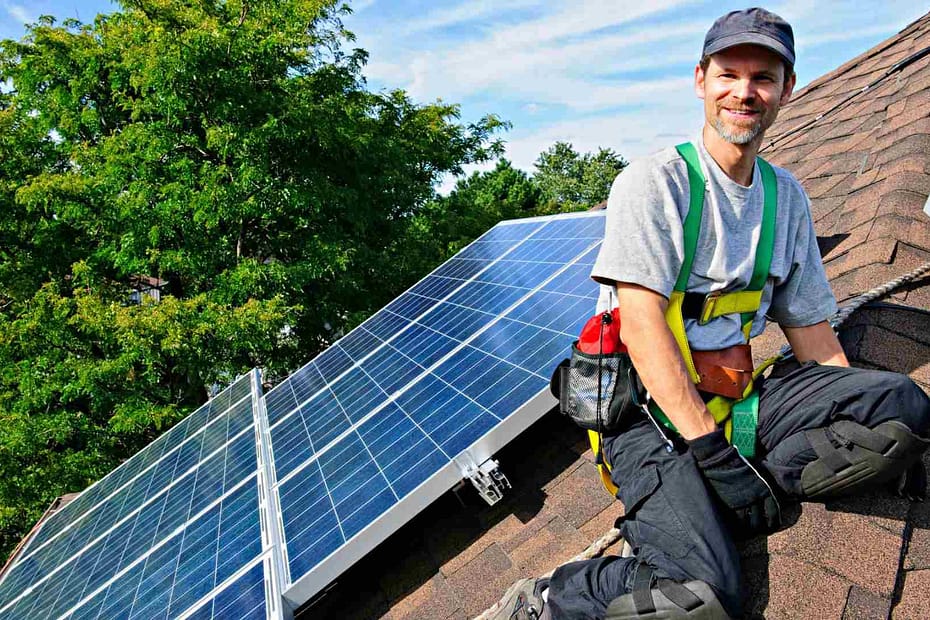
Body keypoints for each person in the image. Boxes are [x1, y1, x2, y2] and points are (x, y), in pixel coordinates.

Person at [494, 7, 930, 620]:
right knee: (700, 599)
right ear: (701, 79)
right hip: (648, 416)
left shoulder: (786, 198)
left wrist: (874, 433)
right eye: (729, 73)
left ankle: (756, 479)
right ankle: (553, 599)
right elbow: (643, 330)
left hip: (738, 398)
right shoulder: (656, 184)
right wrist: (712, 455)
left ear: (786, 90)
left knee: (903, 407)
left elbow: (811, 334)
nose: (743, 92)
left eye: (763, 78)